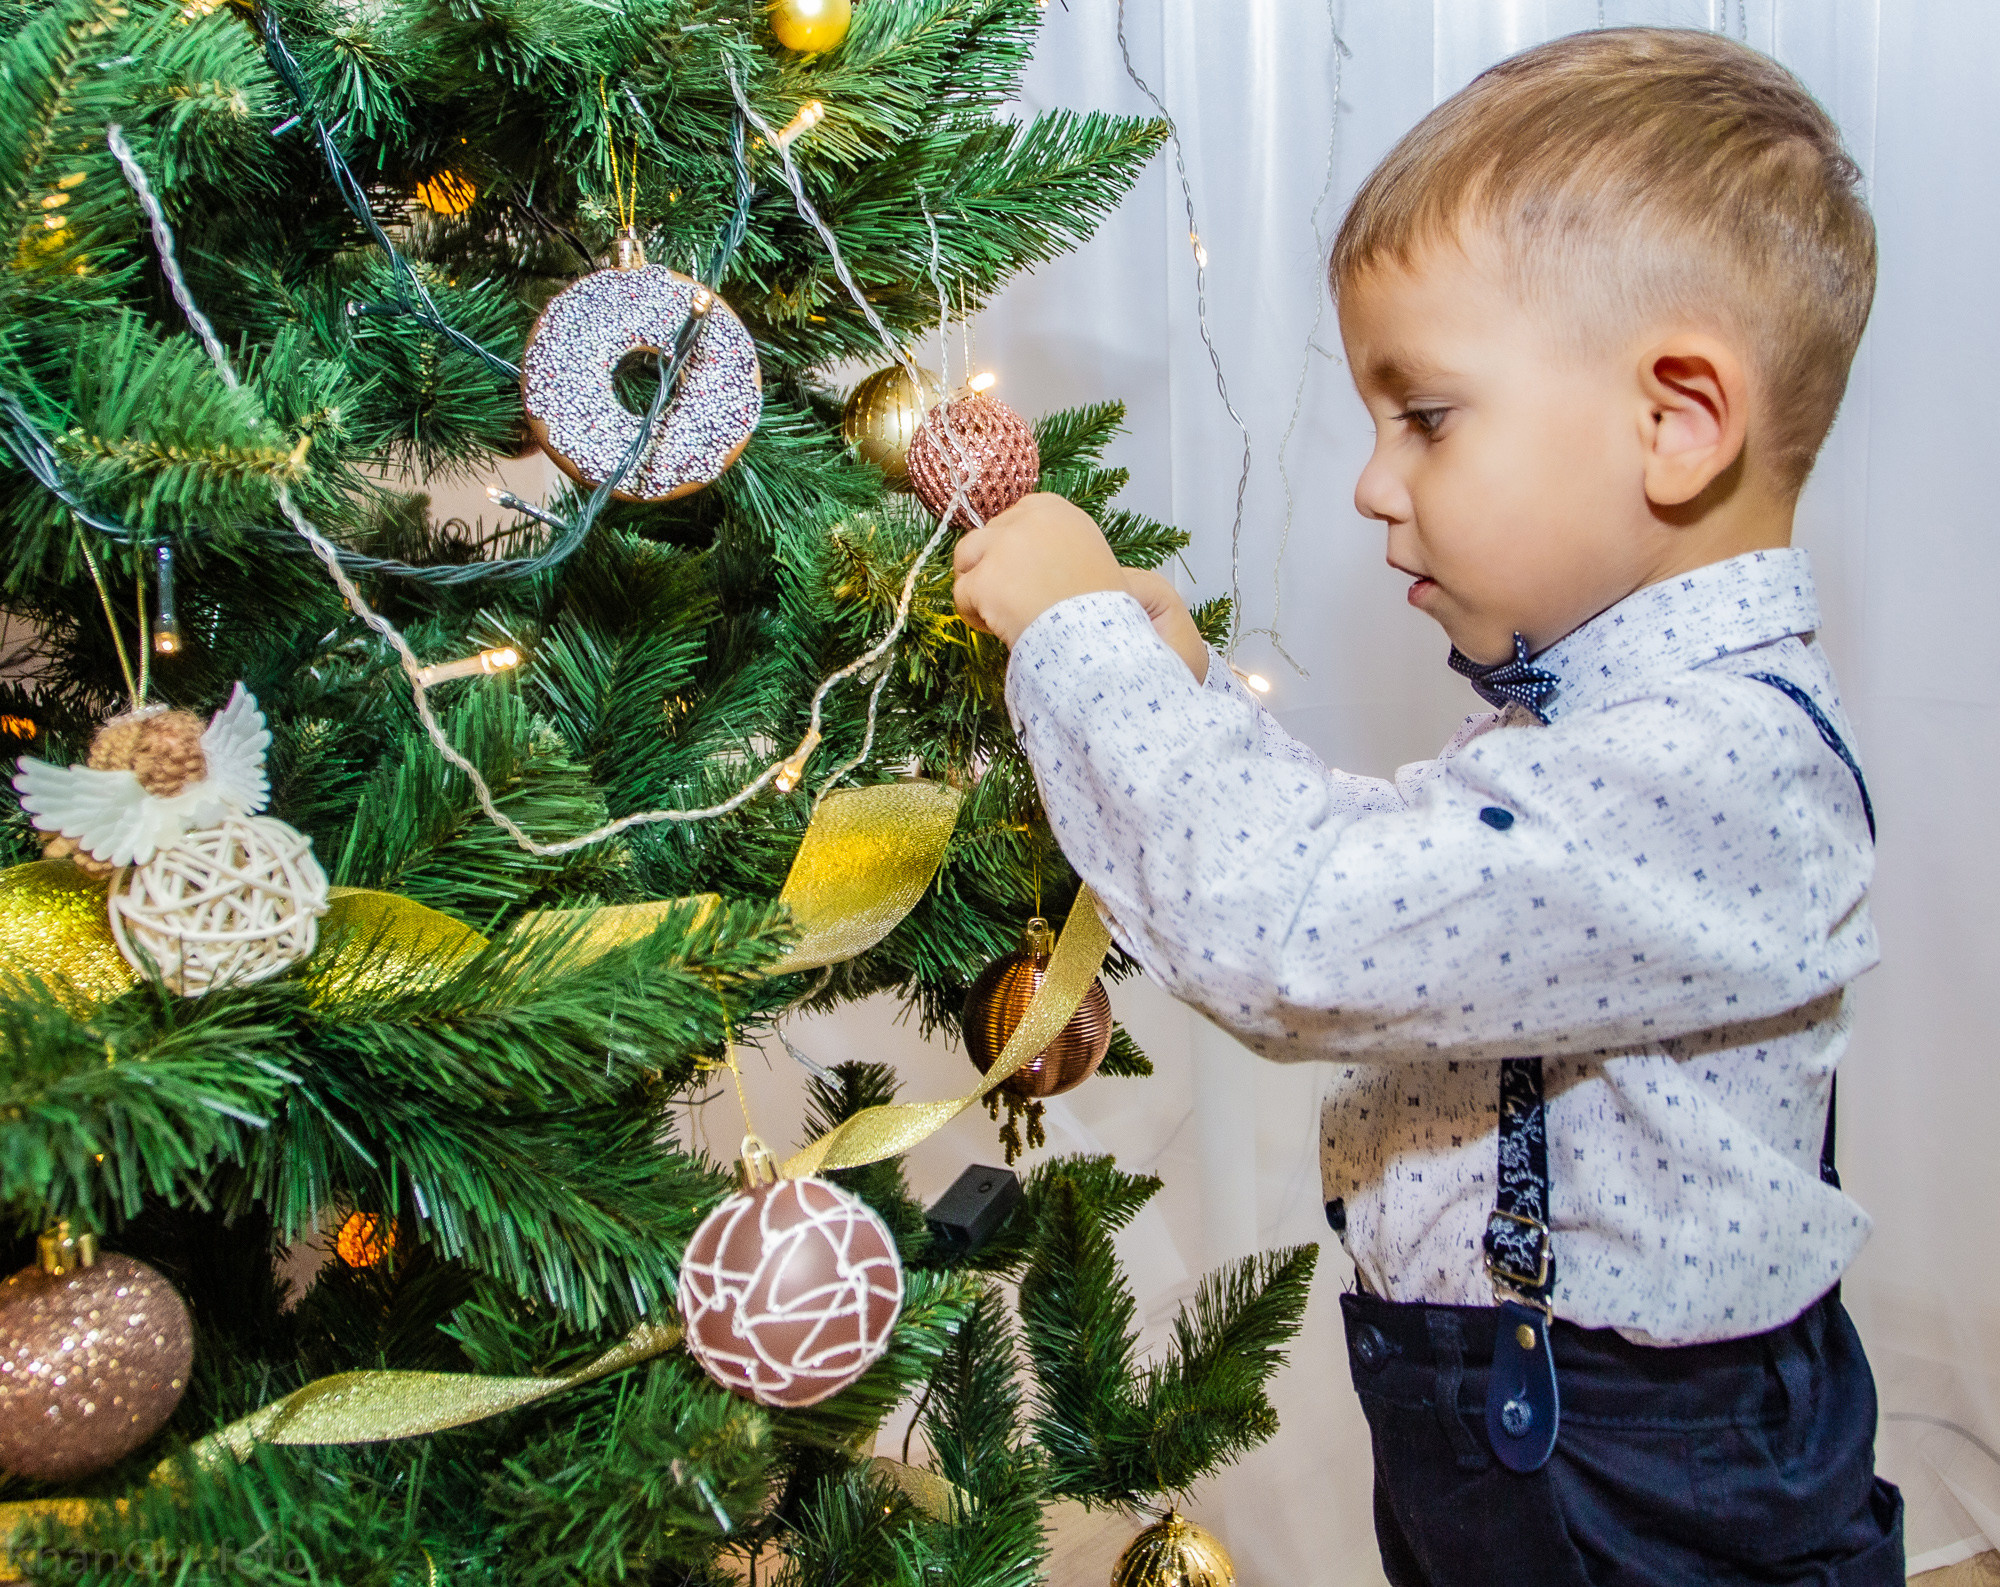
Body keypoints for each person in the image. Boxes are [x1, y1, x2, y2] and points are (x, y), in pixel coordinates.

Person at [951, 26, 1902, 1587]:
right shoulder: (1617, 729)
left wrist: (1076, 641)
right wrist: (1179, 706)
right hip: (1516, 1430)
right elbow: (1430, 889)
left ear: (1677, 421)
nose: (1372, 484)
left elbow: (1301, 927)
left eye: (1429, 416)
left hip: (1638, 1477)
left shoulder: (1717, 765)